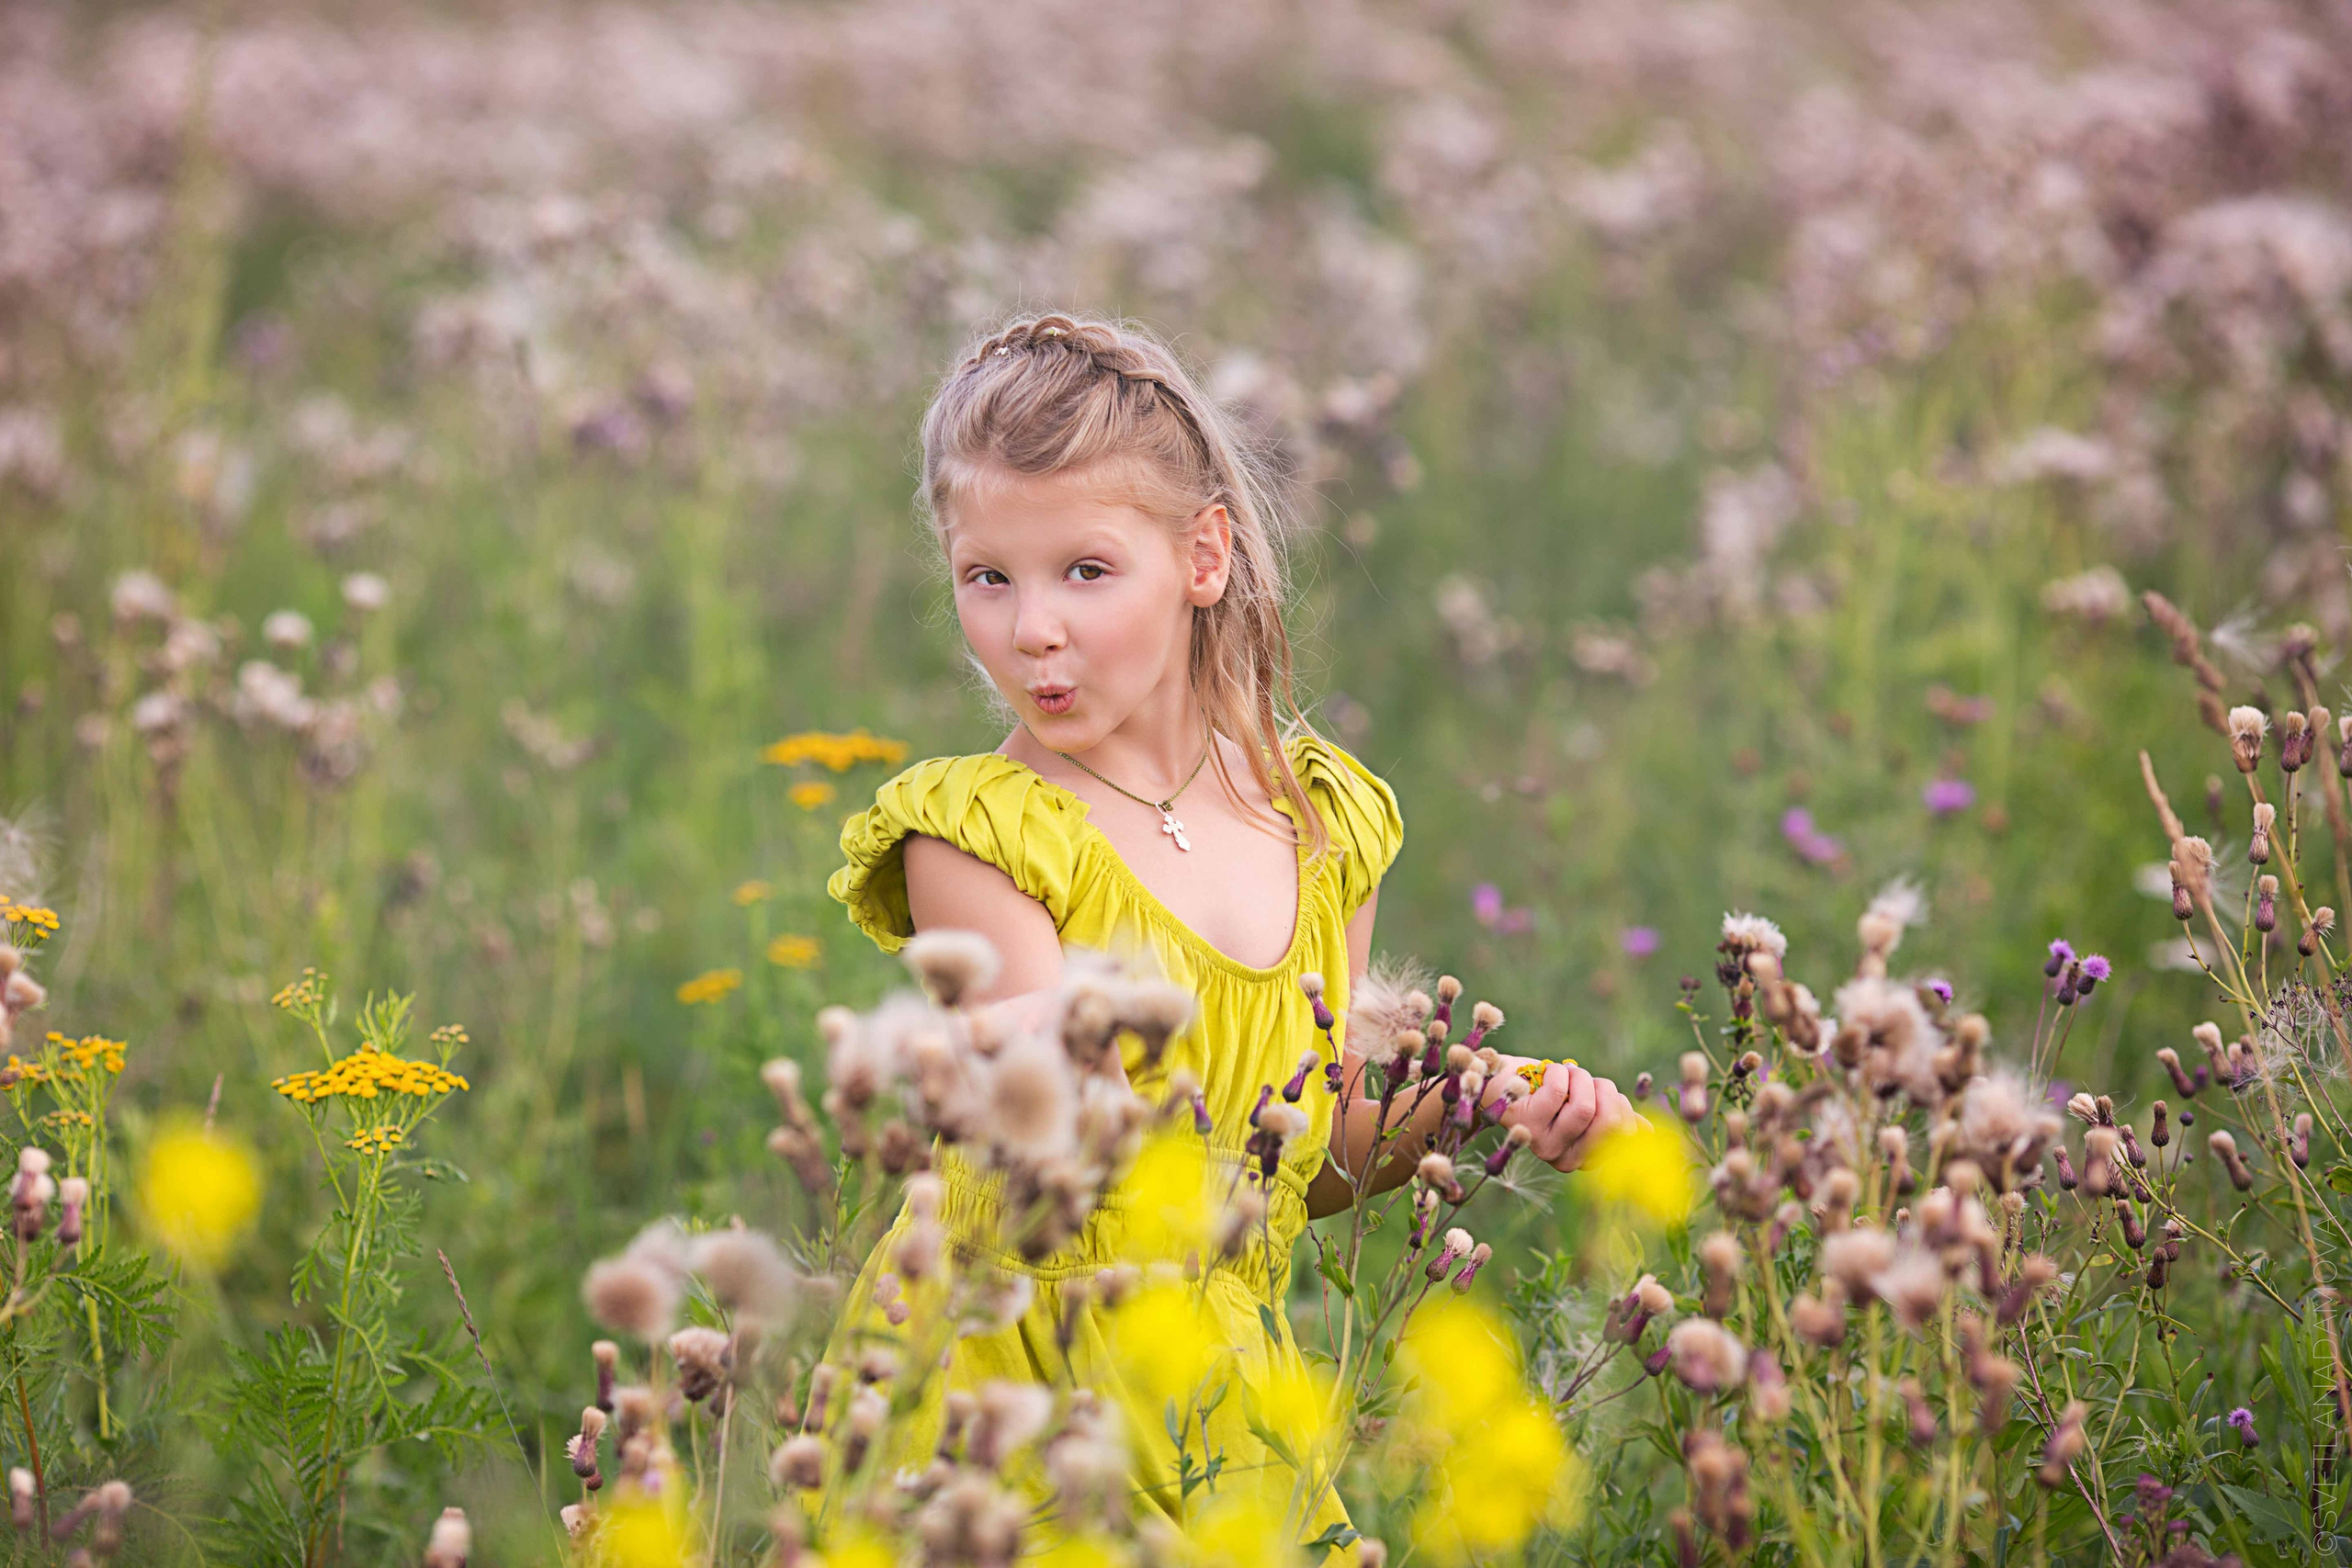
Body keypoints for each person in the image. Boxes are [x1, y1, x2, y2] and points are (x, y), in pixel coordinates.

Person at [825, 311, 1637, 1543]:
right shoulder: (980, 837)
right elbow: (1055, 1164)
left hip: (1224, 1409)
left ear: (1203, 557)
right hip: (1009, 1411)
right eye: (987, 576)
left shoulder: (1319, 825)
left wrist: (1484, 1102)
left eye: (1084, 571)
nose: (1030, 627)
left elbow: (1297, 1164)